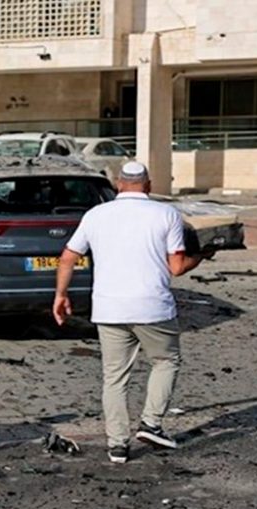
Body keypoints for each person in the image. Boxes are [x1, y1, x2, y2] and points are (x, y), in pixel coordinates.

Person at [53, 161, 208, 464]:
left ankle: (117, 445)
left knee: (114, 377)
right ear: (148, 185)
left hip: (109, 308)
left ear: (118, 185)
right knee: (166, 361)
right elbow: (176, 267)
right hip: (153, 307)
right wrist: (202, 256)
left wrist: (61, 295)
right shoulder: (166, 214)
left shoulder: (96, 215)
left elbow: (68, 257)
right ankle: (151, 423)